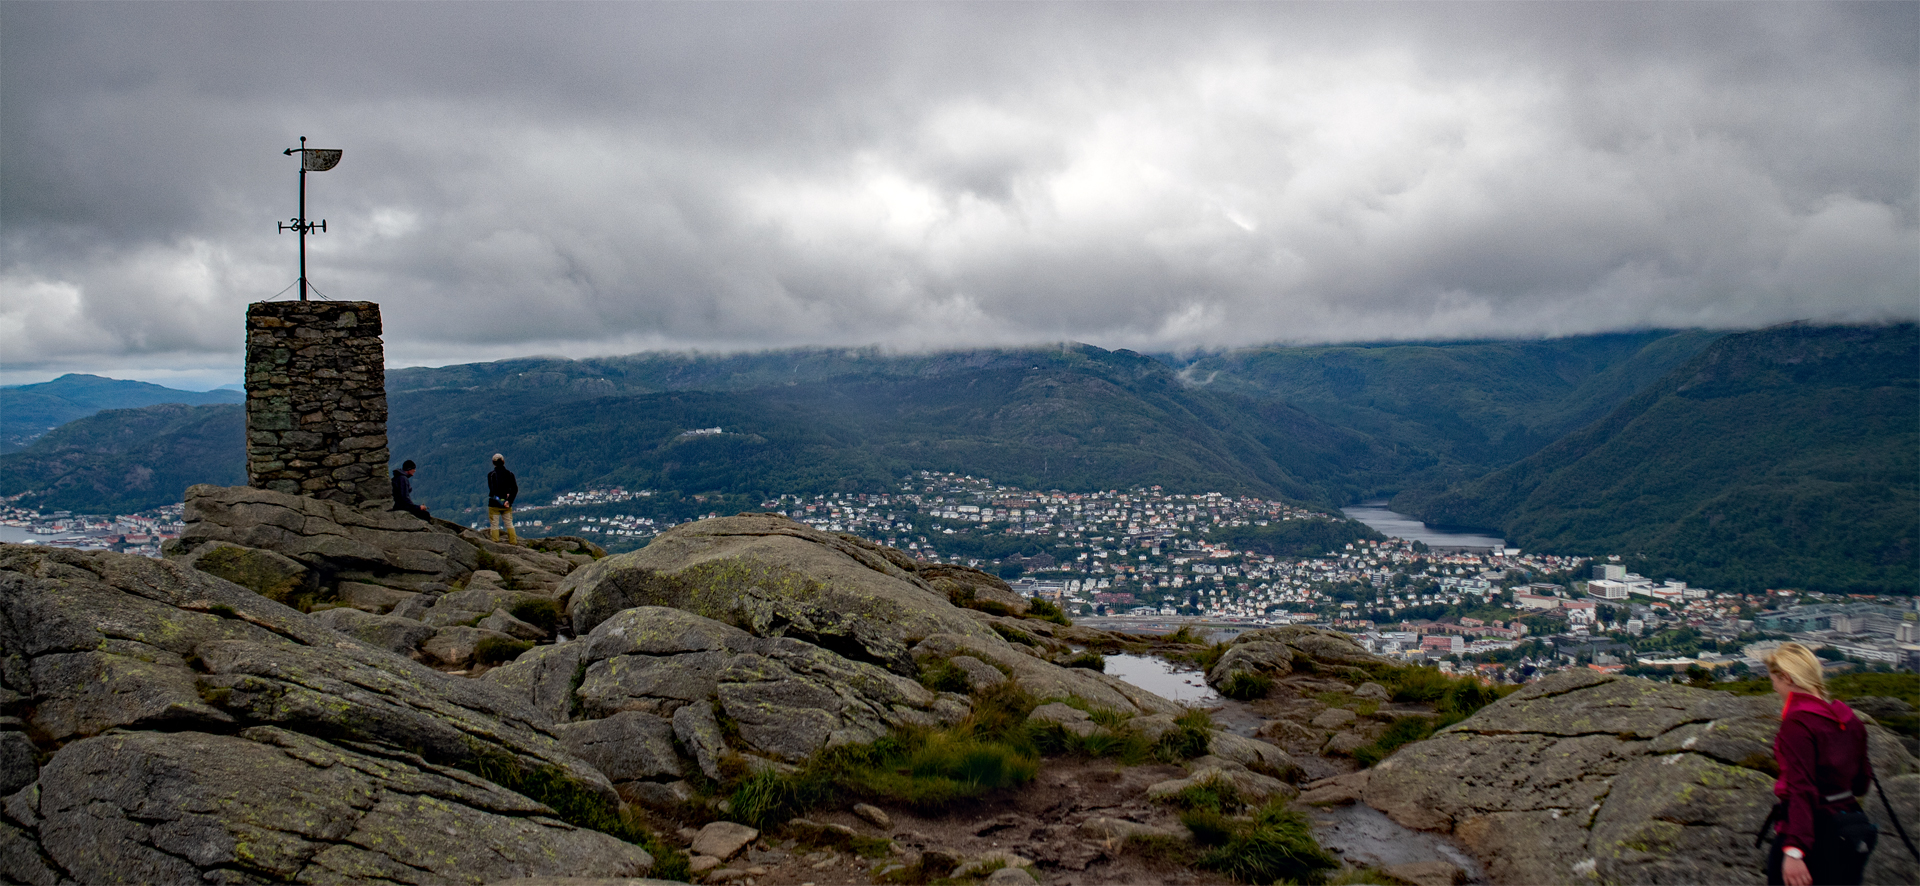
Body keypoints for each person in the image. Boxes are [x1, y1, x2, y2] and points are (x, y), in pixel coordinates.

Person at [1763, 642, 1876, 886]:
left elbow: (1801, 789)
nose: (1775, 687)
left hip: (1812, 836)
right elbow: (1861, 784)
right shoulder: (1849, 720)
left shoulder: (1798, 723)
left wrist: (1795, 850)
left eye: (1775, 680)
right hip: (1849, 830)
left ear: (1786, 677)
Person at [486, 453, 518, 544]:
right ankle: (513, 542)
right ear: (503, 461)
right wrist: (509, 500)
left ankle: (495, 542)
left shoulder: (491, 475)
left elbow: (492, 489)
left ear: (493, 463)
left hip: (494, 503)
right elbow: (515, 489)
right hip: (506, 504)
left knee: (494, 524)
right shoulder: (510, 474)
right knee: (509, 523)